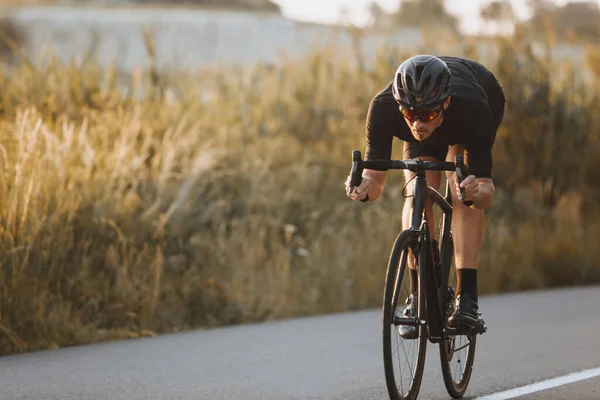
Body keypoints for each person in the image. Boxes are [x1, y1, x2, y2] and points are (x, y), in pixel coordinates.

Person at [345, 55, 505, 338]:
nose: (418, 124)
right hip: (443, 113)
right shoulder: (384, 108)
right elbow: (375, 181)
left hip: (477, 102)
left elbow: (486, 192)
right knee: (416, 192)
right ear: (399, 107)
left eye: (427, 115)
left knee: (461, 190)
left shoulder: (472, 108)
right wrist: (361, 188)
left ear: (443, 104)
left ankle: (467, 297)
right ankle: (419, 294)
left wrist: (475, 190)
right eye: (410, 115)